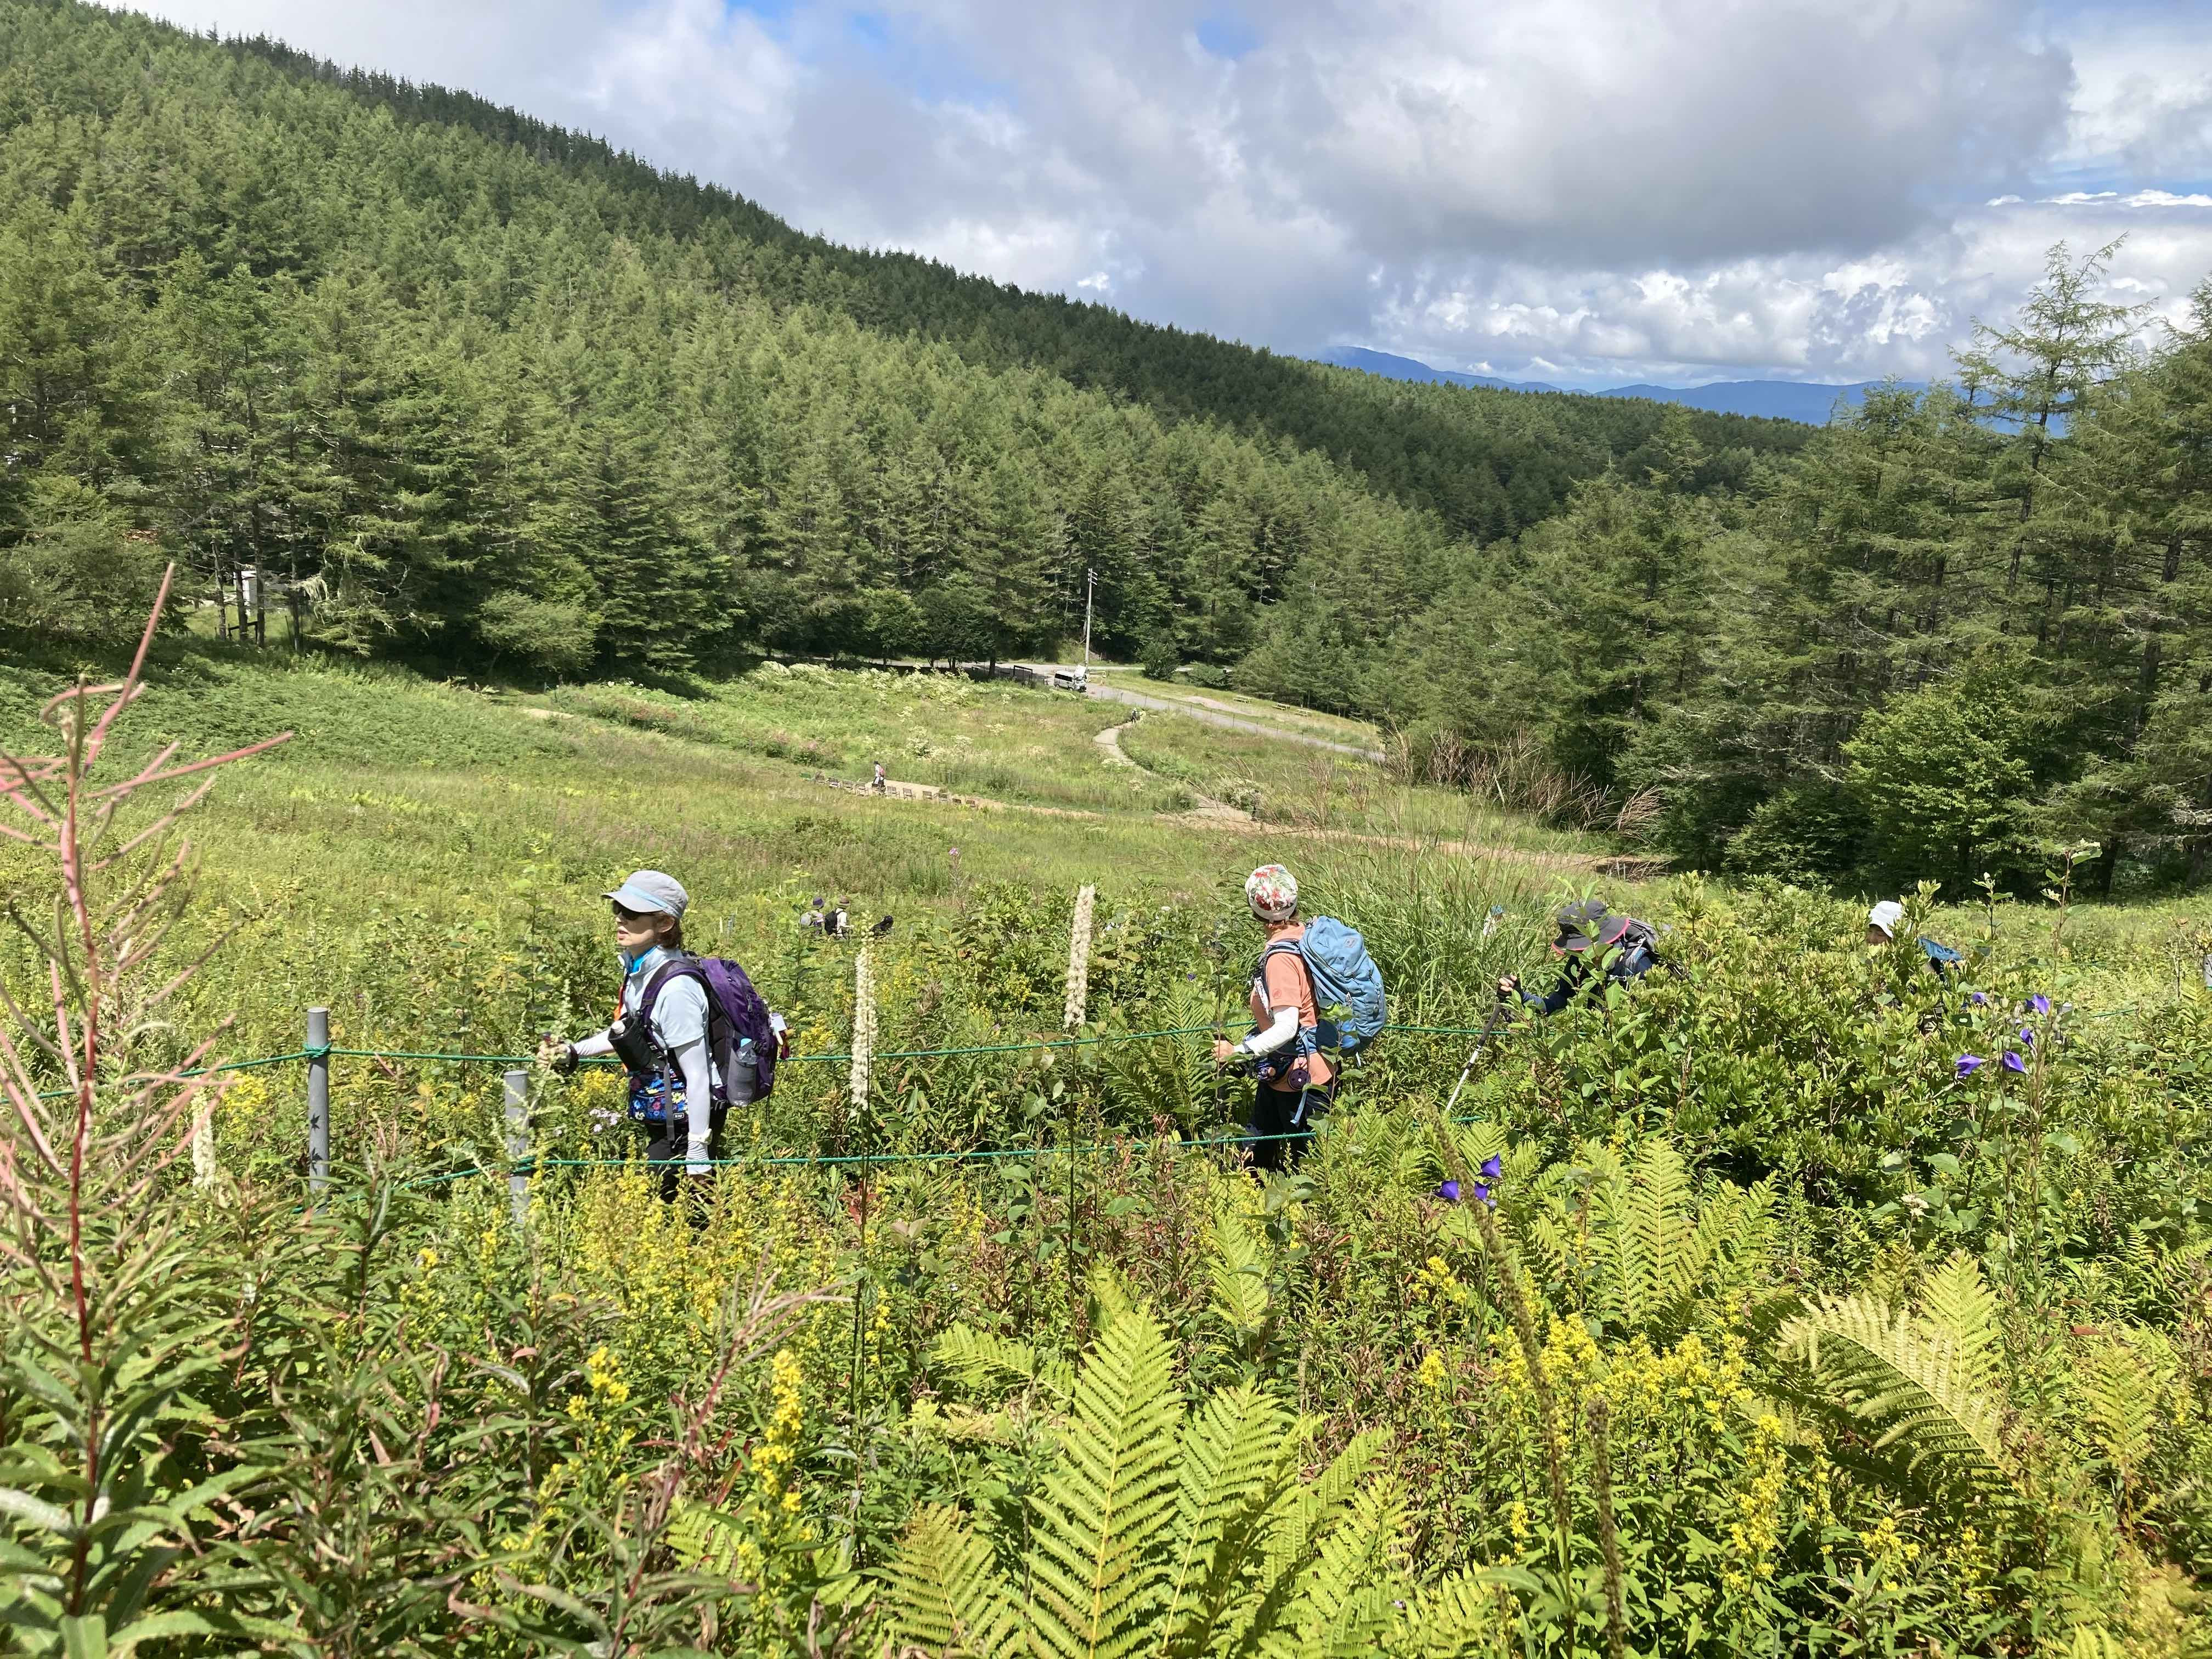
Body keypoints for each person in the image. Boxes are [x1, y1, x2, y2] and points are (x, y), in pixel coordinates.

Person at [539, 870, 722, 1208]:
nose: (620, 919)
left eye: (633, 913)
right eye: (618, 911)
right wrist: (574, 1051)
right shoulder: (641, 970)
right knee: (669, 1204)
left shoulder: (676, 988)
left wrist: (698, 1151)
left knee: (685, 1208)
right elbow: (629, 1032)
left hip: (686, 1116)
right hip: (663, 1105)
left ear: (664, 924)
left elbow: (698, 1075)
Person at [1212, 863, 1333, 1173]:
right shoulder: (1307, 937)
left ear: (1255, 911)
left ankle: (1303, 1218)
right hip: (1299, 1068)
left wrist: (1237, 1051)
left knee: (1308, 1169)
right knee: (1261, 1145)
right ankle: (1251, 1191)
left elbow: (1287, 1026)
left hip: (1297, 1080)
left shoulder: (1280, 958)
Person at [1498, 899, 1658, 1016]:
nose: (1578, 952)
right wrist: (1520, 996)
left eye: (1582, 947)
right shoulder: (1581, 961)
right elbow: (1554, 1004)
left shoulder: (1638, 963)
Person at [1866, 900, 1965, 978]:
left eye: (1880, 934)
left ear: (1901, 935)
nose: (1871, 939)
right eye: (1869, 931)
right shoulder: (1873, 959)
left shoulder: (1929, 958)